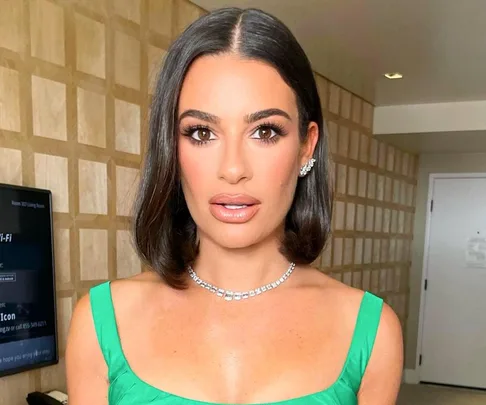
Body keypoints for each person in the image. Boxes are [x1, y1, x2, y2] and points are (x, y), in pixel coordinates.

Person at [66, 7, 403, 405]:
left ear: (306, 147)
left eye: (265, 131)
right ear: (171, 147)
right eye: (201, 132)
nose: (232, 169)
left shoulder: (371, 332)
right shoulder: (100, 323)